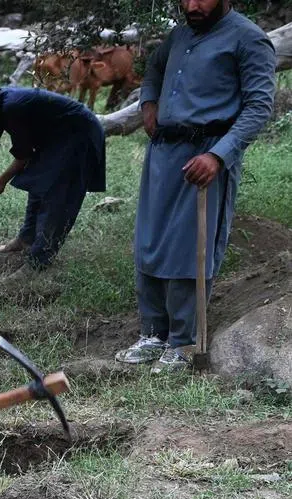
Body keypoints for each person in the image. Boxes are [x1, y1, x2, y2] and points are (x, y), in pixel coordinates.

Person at [115, 0, 276, 372]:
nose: (191, 5)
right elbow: (154, 67)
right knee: (151, 240)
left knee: (190, 246)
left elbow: (259, 106)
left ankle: (183, 343)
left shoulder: (249, 39)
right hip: (163, 155)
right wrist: (148, 102)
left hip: (206, 155)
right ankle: (153, 334)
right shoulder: (180, 34)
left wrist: (219, 156)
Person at [0, 77, 106, 274]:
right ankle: (25, 240)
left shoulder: (13, 107)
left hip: (79, 135)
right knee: (37, 184)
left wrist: (1, 181)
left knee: (56, 198)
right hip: (55, 138)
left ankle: (37, 263)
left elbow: (23, 156)